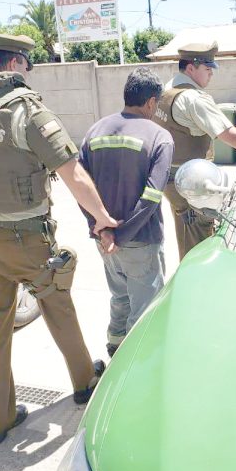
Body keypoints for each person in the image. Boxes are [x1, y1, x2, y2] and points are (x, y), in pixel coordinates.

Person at [0, 34, 118, 447]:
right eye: (27, 64)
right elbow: (73, 173)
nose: (29, 72)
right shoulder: (24, 109)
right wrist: (102, 218)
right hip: (22, 236)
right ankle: (84, 381)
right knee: (56, 303)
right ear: (15, 63)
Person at [79, 67, 174, 357]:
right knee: (145, 308)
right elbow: (151, 198)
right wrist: (120, 235)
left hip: (104, 241)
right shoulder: (160, 137)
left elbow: (80, 187)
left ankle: (114, 345)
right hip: (139, 239)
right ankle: (133, 364)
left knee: (120, 296)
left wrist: (102, 229)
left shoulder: (94, 131)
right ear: (151, 102)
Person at [156, 41, 236, 259]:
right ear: (190, 68)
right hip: (193, 185)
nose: (211, 73)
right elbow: (231, 136)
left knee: (187, 239)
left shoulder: (166, 90)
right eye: (207, 68)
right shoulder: (194, 99)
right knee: (199, 248)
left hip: (171, 180)